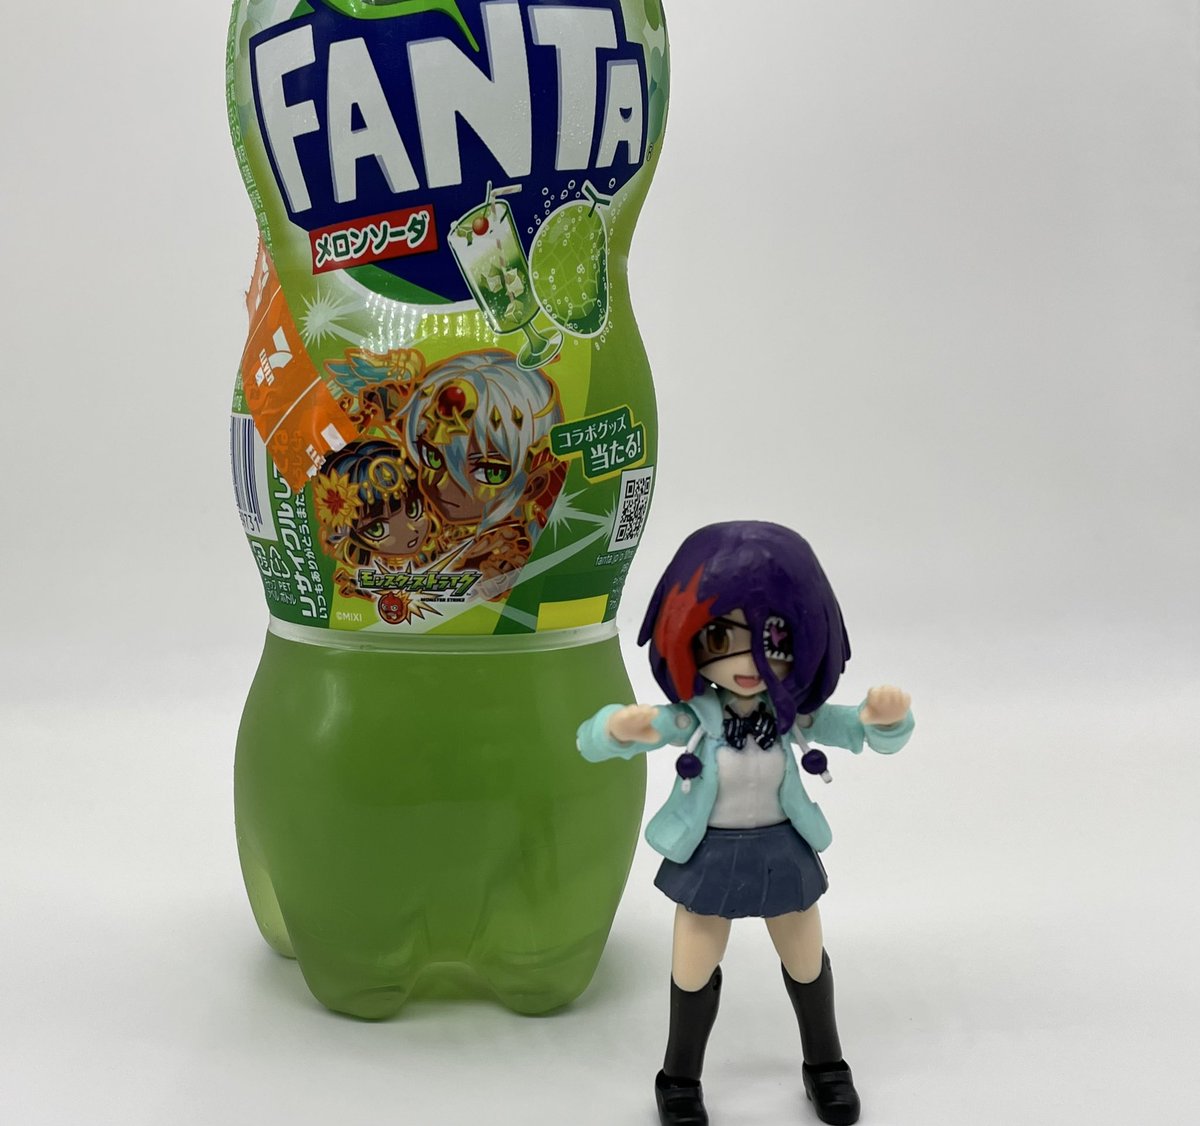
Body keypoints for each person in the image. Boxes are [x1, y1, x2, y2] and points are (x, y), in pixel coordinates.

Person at [576, 522, 914, 1126]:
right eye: (720, 637)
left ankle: (826, 1065)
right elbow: (610, 738)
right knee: (691, 968)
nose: (747, 660)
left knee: (806, 962)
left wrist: (884, 719)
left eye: (774, 637)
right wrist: (615, 729)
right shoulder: (696, 718)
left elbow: (858, 730)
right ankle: (680, 1077)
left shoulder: (793, 716)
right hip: (708, 856)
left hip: (784, 850)